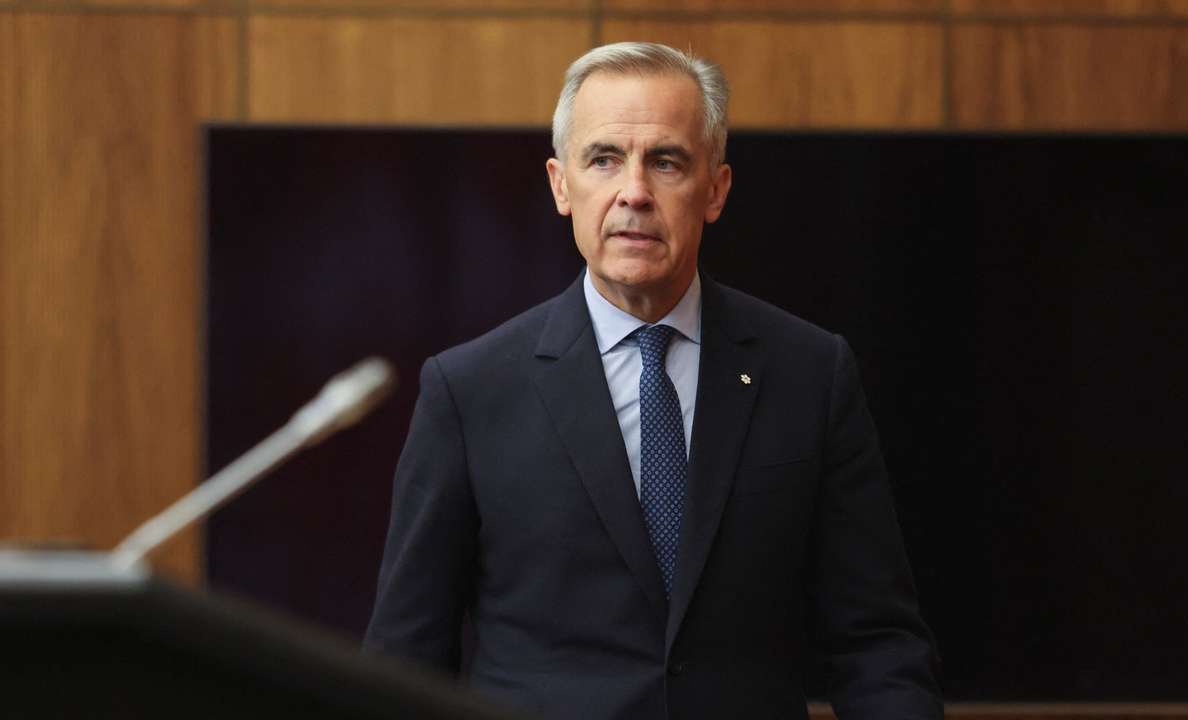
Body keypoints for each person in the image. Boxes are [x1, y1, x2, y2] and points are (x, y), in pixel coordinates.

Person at [364, 42, 942, 720]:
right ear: (560, 185)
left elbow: (876, 645)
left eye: (665, 161)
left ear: (716, 190)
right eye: (604, 158)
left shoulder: (811, 373)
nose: (633, 191)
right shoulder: (469, 390)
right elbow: (404, 661)